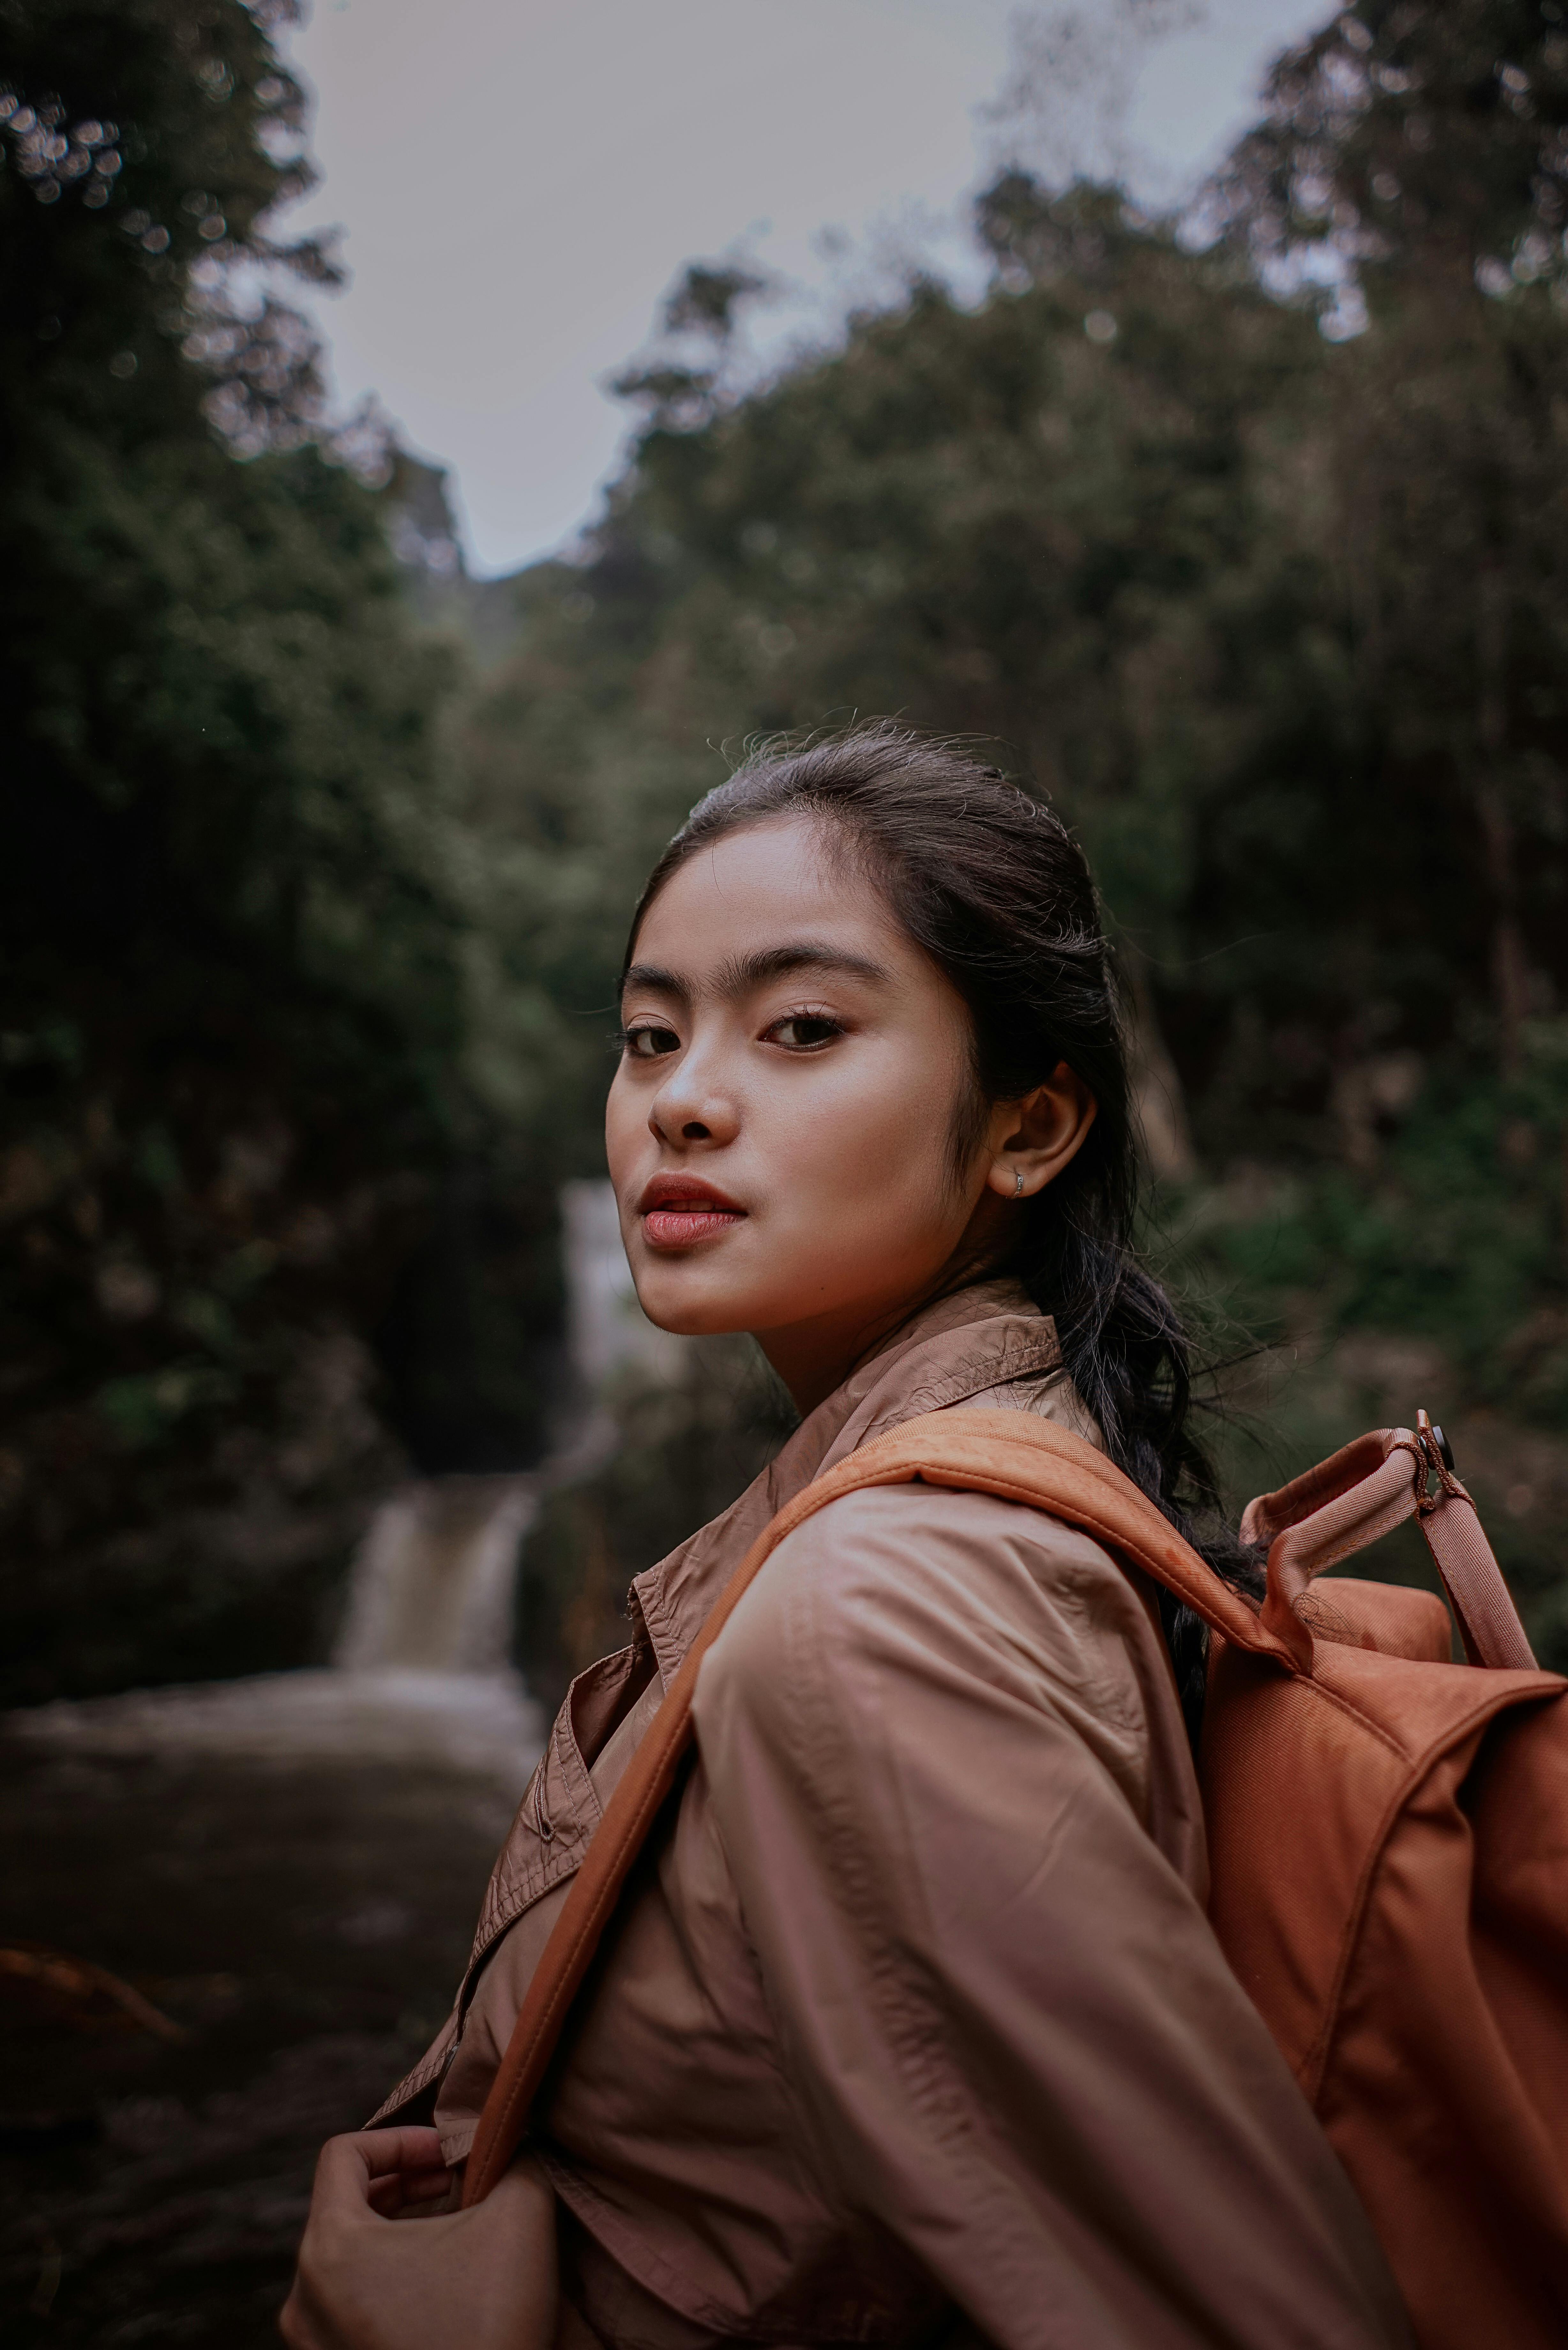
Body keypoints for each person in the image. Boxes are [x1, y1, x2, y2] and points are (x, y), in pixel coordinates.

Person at [284, 727, 1411, 2350]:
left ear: (1028, 1129)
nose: (682, 1102)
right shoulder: (917, 1509)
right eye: (648, 1035)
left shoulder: (874, 1607)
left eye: (800, 1028)